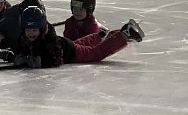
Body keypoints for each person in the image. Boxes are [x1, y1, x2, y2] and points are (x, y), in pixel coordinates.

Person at [11, 5, 144, 68]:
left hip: (71, 53)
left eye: (34, 30)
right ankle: (101, 35)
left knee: (95, 53)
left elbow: (56, 60)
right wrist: (16, 56)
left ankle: (124, 35)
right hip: (67, 43)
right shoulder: (23, 37)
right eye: (28, 30)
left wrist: (34, 62)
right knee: (83, 42)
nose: (31, 33)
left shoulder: (51, 41)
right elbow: (19, 48)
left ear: (41, 29)